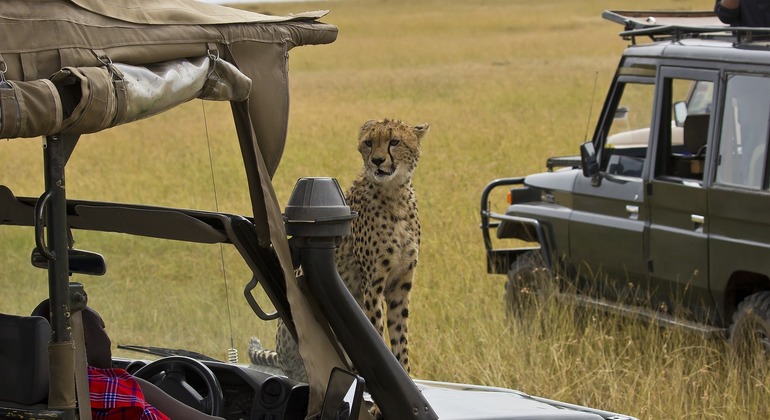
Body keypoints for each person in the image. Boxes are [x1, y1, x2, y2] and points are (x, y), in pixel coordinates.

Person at [32, 300, 224, 420]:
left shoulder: (23, 393)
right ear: (83, 342)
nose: (108, 340)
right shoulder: (109, 386)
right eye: (102, 328)